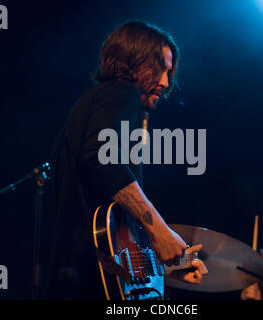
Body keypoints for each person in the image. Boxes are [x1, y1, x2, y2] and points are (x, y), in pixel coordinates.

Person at [48, 21, 207, 300]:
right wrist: (159, 231)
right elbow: (101, 160)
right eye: (160, 69)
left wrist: (165, 267)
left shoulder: (91, 106)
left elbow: (110, 237)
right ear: (133, 62)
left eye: (169, 72)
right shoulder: (122, 93)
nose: (165, 82)